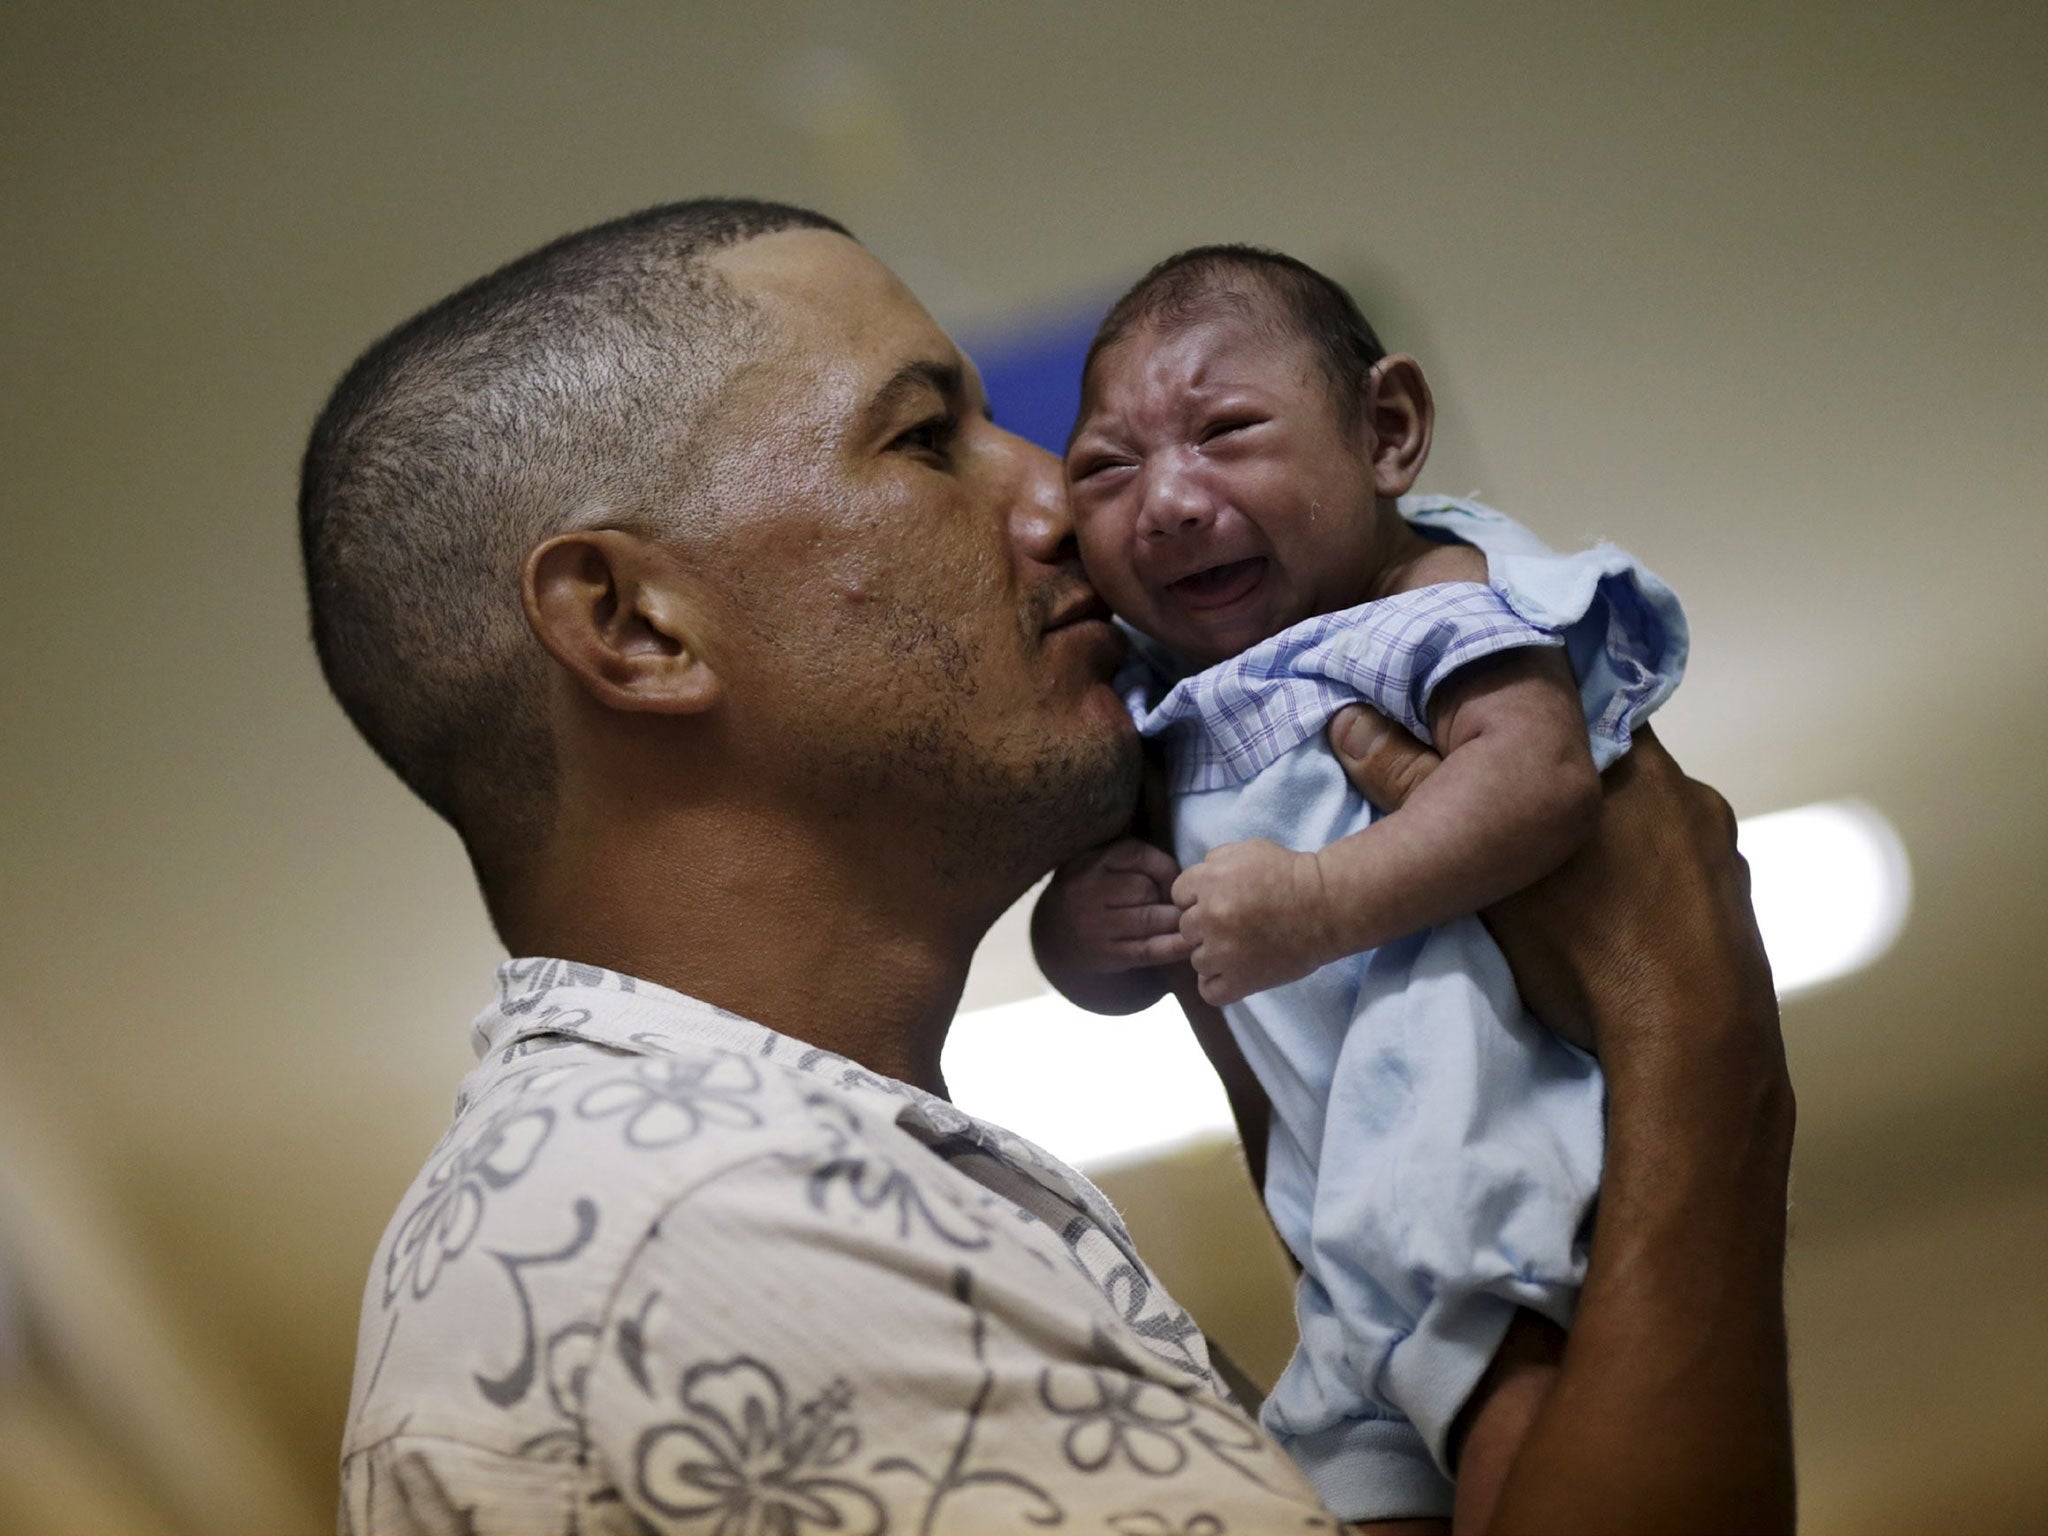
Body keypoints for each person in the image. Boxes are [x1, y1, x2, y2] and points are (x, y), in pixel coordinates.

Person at [300, 198, 1794, 1533]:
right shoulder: (701, 1227)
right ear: (636, 624)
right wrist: (1693, 1042)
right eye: (926, 436)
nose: (1059, 505)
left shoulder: (751, 1184)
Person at [1030, 246, 1687, 1519]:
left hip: (1478, 1158)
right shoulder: (1144, 701)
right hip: (1339, 1240)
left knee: (1521, 1435)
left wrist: (1325, 902)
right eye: (1106, 468)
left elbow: (1536, 780)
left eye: (1224, 432)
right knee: (1347, 1485)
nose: (1164, 500)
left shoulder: (1421, 605)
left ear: (1386, 432)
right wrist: (1083, 928)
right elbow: (1111, 985)